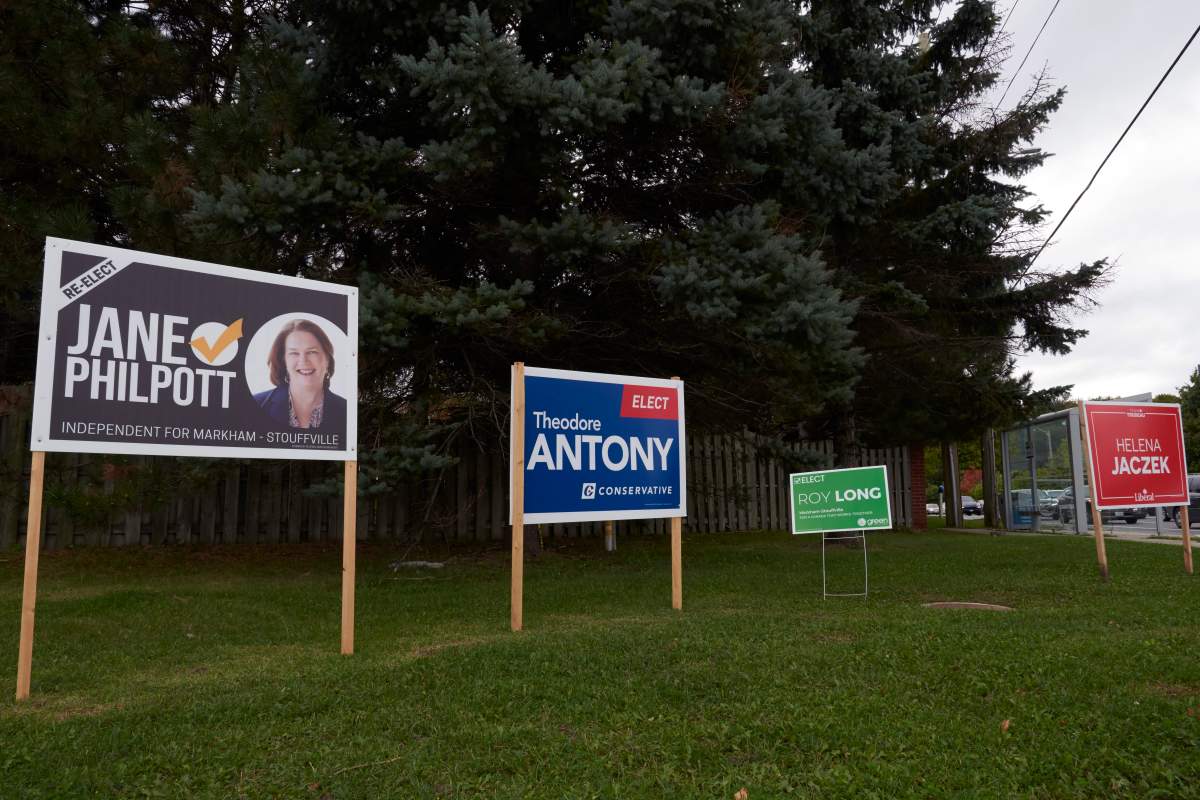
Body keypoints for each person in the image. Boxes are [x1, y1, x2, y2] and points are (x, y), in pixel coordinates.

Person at [253, 319, 346, 431]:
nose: (303, 361)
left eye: (312, 352)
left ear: (327, 359)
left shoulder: (347, 410)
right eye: (294, 353)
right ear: (283, 361)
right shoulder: (256, 405)